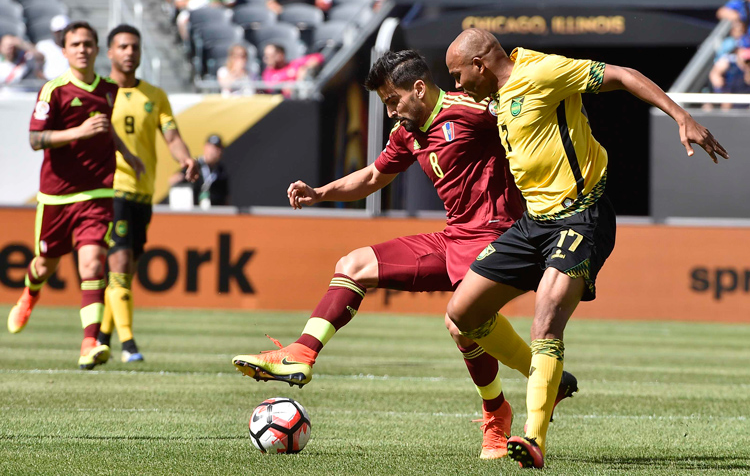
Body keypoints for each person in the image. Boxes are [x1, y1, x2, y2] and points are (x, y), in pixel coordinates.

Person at [233, 50, 578, 460]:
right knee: (353, 264)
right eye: (385, 104)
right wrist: (322, 192)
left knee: (461, 323)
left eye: (393, 101)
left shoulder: (475, 111)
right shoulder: (407, 134)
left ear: (419, 88)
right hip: (455, 237)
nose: (392, 112)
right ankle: (302, 353)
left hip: (501, 238)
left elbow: (532, 116)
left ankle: (497, 414)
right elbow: (375, 175)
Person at [444, 29, 728, 468]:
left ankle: (533, 439)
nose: (457, 84)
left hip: (582, 215)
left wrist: (680, 115)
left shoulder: (543, 70)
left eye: (458, 74)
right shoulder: (495, 94)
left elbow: (625, 75)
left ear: (479, 63)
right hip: (533, 223)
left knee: (546, 321)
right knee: (462, 314)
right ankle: (552, 385)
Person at [6, 21, 145, 370]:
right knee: (44, 265)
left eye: (88, 43)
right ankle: (30, 293)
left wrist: (126, 154)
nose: (82, 49)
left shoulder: (109, 90)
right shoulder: (53, 91)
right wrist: (78, 132)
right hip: (56, 197)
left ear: (97, 49)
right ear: (65, 51)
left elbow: (106, 127)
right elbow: (36, 140)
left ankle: (89, 343)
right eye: (75, 44)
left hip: (97, 193)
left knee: (93, 264)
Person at [95, 24, 199, 363]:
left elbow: (171, 136)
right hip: (113, 190)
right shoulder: (100, 93)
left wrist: (185, 158)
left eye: (134, 47)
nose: (129, 52)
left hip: (143, 194)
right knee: (120, 262)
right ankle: (129, 346)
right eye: (122, 46)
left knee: (126, 270)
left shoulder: (155, 96)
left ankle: (102, 337)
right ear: (109, 52)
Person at [171, 134, 230, 207]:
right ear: (205, 147)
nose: (216, 151)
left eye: (219, 148)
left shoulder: (221, 171)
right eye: (214, 148)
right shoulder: (195, 164)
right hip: (193, 211)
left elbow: (226, 196)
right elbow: (173, 180)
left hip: (214, 212)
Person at [35, 15, 71, 80]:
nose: (61, 34)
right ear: (53, 32)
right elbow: (37, 69)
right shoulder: (43, 46)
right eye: (59, 31)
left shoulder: (75, 48)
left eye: (64, 31)